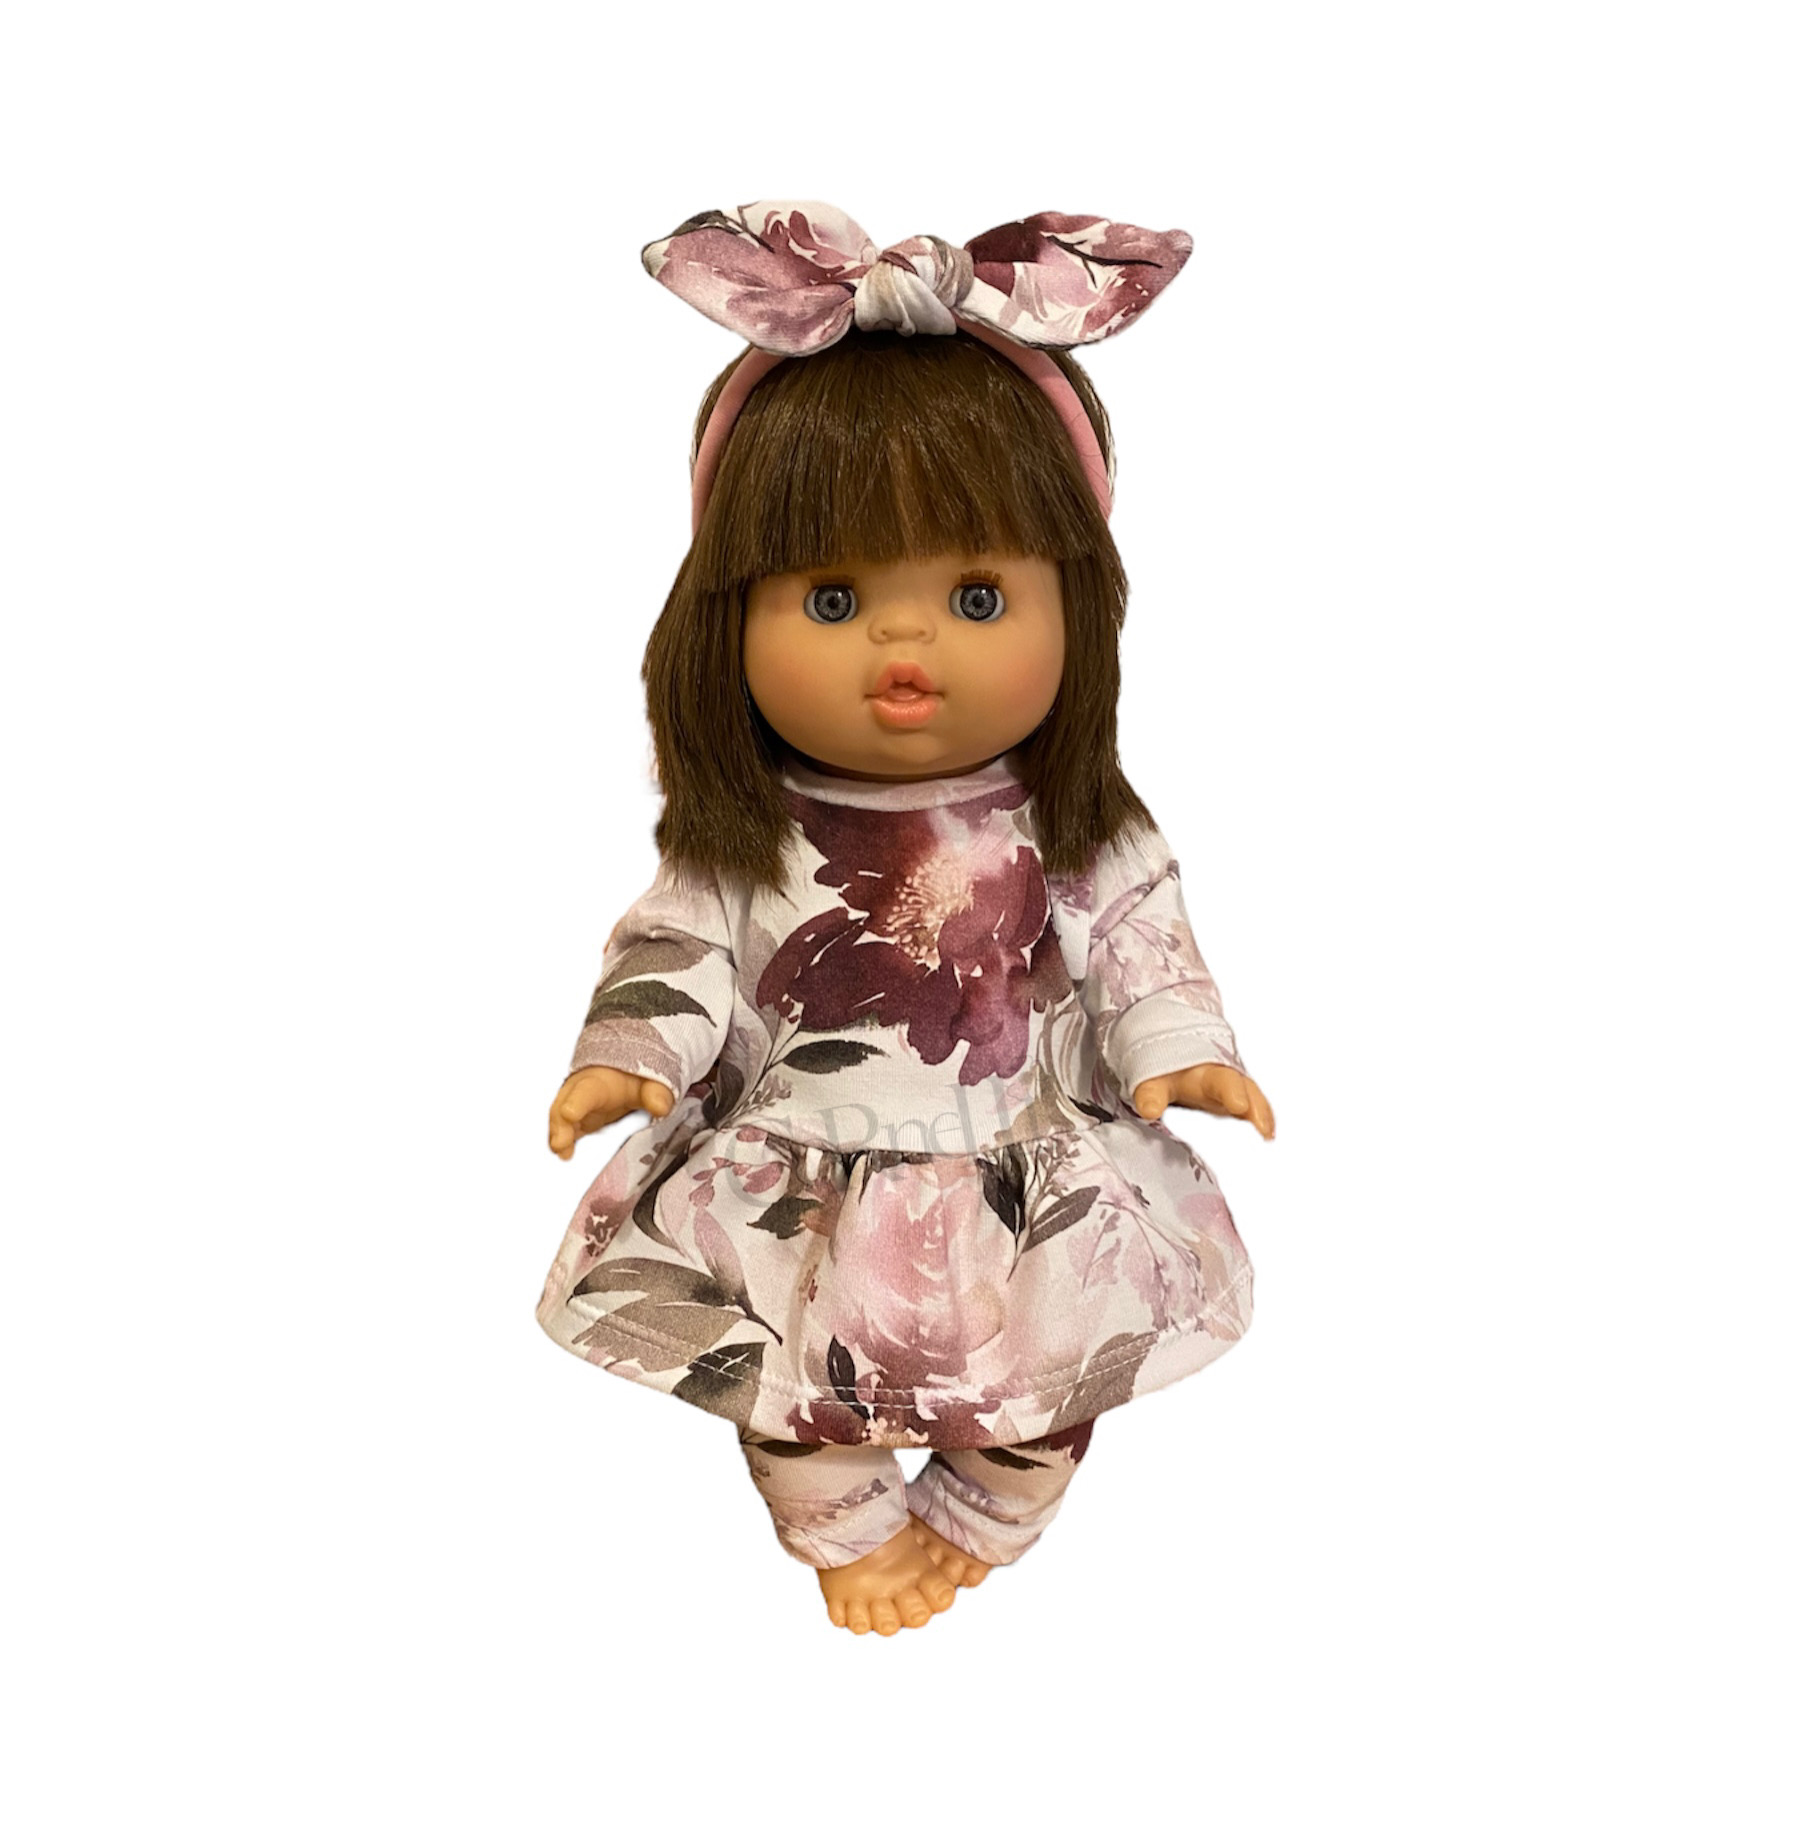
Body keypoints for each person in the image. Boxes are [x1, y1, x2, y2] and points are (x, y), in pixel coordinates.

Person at [537, 203, 1275, 1636]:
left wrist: (1179, 1045)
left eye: (978, 595)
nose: (904, 640)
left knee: (1057, 1390)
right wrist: (629, 1058)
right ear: (724, 620)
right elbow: (675, 948)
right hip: (797, 1175)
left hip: (1022, 1167)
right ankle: (848, 1528)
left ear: (1079, 612)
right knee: (783, 1389)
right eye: (831, 597)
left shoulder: (1073, 824)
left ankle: (989, 1510)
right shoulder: (745, 836)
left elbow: (1140, 930)